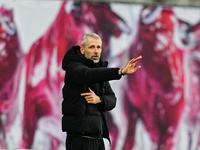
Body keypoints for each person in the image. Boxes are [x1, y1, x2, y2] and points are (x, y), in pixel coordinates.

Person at [61, 33, 142, 150]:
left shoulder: (99, 72)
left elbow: (112, 100)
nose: (96, 51)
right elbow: (87, 75)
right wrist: (119, 72)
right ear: (82, 50)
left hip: (98, 139)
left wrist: (99, 100)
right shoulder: (73, 67)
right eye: (91, 47)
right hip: (79, 139)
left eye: (98, 47)